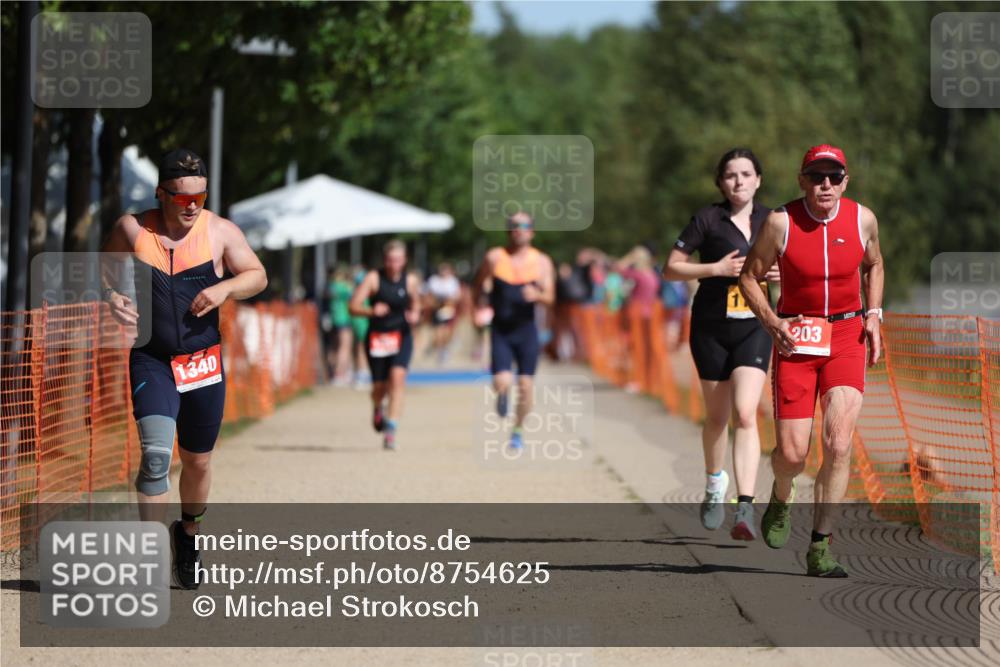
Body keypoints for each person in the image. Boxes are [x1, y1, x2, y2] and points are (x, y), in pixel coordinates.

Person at [102, 148, 268, 589]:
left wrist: (227, 288)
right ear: (161, 194)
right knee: (156, 457)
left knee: (197, 462)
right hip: (152, 358)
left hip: (202, 362)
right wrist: (113, 296)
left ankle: (188, 534)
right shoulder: (132, 229)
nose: (192, 205)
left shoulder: (220, 232)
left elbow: (257, 274)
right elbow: (106, 267)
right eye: (181, 198)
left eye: (200, 196)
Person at [739, 144, 884, 577]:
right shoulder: (780, 222)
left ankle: (821, 546)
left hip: (845, 335)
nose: (825, 185)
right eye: (816, 176)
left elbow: (875, 264)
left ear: (845, 181)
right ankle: (782, 496)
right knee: (792, 454)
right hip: (797, 338)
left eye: (834, 177)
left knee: (838, 443)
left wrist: (873, 314)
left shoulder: (863, 219)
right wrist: (771, 323)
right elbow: (749, 277)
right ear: (802, 180)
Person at [664, 148, 777, 539]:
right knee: (716, 418)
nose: (739, 181)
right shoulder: (707, 219)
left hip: (755, 326)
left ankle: (745, 506)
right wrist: (714, 269)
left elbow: (795, 265)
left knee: (746, 413)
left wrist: (780, 274)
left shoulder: (772, 220)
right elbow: (670, 267)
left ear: (758, 180)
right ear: (721, 182)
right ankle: (715, 484)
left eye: (746, 174)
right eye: (731, 175)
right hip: (711, 327)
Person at [471, 212, 556, 450]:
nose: (519, 229)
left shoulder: (542, 262)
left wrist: (538, 295)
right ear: (509, 231)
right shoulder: (495, 257)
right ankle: (502, 393)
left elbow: (551, 298)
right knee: (501, 380)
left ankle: (517, 431)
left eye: (525, 225)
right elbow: (477, 286)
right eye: (514, 226)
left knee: (526, 385)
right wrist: (477, 309)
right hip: (501, 329)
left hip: (527, 330)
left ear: (532, 231)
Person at [349, 240, 421, 450]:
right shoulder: (373, 278)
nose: (393, 264)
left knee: (397, 378)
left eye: (397, 260)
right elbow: (353, 306)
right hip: (378, 337)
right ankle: (377, 405)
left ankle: (391, 429)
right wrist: (371, 311)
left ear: (404, 261)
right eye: (390, 260)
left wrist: (415, 313)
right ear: (385, 260)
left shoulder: (410, 281)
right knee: (379, 387)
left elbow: (416, 302)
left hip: (402, 335)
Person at [424, 262, 462, 365]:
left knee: (447, 333)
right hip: (436, 310)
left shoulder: (453, 281)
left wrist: (449, 301)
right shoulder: (434, 281)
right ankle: (438, 349)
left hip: (449, 309)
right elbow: (428, 295)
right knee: (438, 332)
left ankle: (443, 348)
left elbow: (457, 296)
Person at [327, 265, 355, 384]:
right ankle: (340, 373)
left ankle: (335, 372)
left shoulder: (331, 287)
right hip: (344, 319)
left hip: (335, 319)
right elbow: (353, 294)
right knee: (345, 347)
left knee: (335, 346)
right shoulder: (343, 288)